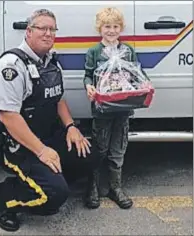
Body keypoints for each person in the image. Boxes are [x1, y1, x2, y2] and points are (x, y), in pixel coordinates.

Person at [0, 9, 98, 232]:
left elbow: (58, 99)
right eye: (42, 28)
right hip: (20, 146)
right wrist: (42, 151)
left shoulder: (50, 62)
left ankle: (50, 178)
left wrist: (70, 127)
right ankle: (6, 196)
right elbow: (8, 117)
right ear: (28, 32)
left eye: (52, 29)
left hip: (48, 136)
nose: (48, 33)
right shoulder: (12, 66)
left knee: (90, 154)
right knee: (54, 197)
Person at [83, 7, 138, 210]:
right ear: (100, 28)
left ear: (121, 28)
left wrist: (144, 86)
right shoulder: (94, 52)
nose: (111, 30)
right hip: (102, 108)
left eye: (115, 26)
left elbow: (136, 73)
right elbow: (88, 74)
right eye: (107, 26)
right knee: (99, 147)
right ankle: (93, 187)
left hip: (123, 109)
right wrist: (88, 86)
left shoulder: (128, 51)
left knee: (118, 148)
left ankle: (115, 187)